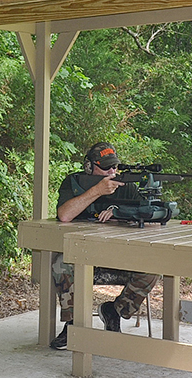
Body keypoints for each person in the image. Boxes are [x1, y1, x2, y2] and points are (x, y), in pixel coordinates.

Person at [49, 142, 159, 350]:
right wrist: (97, 191)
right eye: (106, 167)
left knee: (154, 267)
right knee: (60, 263)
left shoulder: (126, 187)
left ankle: (114, 311)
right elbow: (64, 215)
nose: (112, 172)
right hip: (83, 260)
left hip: (119, 260)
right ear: (89, 167)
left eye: (114, 167)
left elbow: (153, 218)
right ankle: (73, 324)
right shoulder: (74, 183)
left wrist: (122, 214)